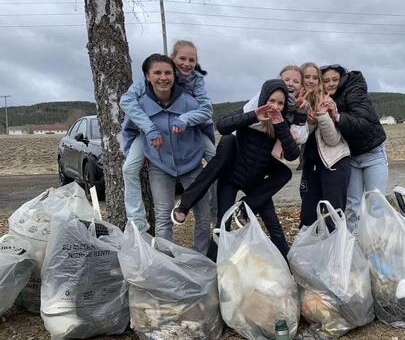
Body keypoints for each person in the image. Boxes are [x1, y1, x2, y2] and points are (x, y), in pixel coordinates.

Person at [174, 79, 300, 261]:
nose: (275, 106)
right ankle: (212, 266)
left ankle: (288, 267)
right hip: (231, 178)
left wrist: (280, 125)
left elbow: (292, 155)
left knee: (274, 224)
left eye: (280, 103)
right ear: (263, 99)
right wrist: (254, 115)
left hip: (255, 182)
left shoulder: (281, 125)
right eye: (271, 101)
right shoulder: (249, 113)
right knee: (222, 225)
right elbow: (223, 125)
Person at [119, 40, 215, 233]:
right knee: (129, 168)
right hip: (149, 134)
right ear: (172, 59)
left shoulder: (196, 80)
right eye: (182, 58)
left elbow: (206, 110)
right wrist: (149, 129)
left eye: (191, 60)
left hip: (189, 128)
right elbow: (126, 101)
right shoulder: (147, 86)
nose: (186, 63)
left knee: (215, 158)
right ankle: (137, 221)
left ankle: (217, 213)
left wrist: (186, 119)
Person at [320, 64, 388, 232]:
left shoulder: (355, 91)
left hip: (373, 154)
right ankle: (353, 249)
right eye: (326, 81)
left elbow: (363, 123)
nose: (331, 84)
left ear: (342, 78)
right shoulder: (324, 99)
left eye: (335, 79)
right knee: (352, 207)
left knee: (376, 204)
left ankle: (377, 249)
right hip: (350, 157)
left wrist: (336, 115)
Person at [299, 62, 351, 227]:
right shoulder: (296, 102)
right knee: (307, 216)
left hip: (334, 162)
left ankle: (336, 251)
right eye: (307, 77)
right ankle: (308, 251)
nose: (311, 81)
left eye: (315, 77)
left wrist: (321, 115)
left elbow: (333, 139)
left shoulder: (328, 101)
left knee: (333, 216)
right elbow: (301, 135)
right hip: (311, 165)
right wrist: (308, 119)